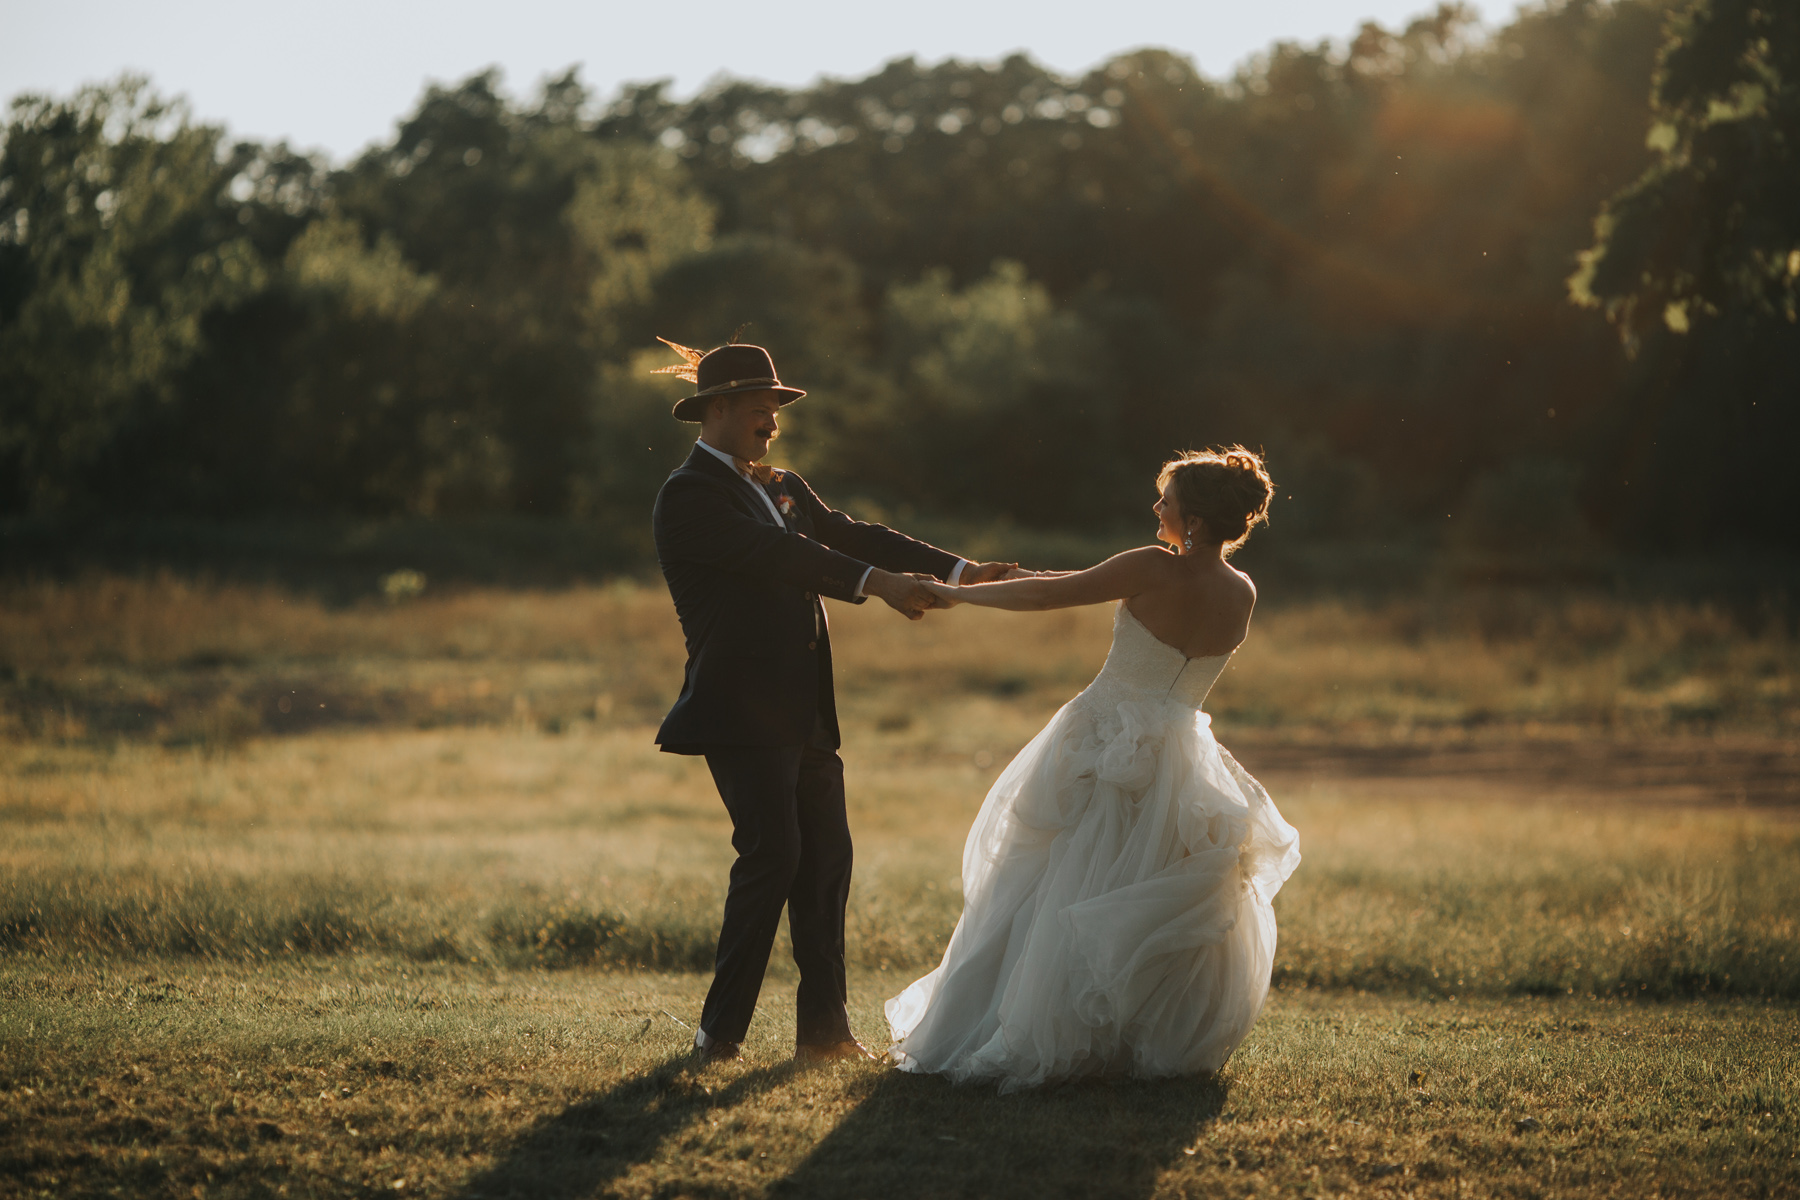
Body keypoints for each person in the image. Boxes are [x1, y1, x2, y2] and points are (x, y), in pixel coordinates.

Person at [886, 447, 1301, 1090]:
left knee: (1052, 881)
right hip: (1179, 757)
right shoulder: (1240, 591)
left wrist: (954, 593)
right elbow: (1084, 578)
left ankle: (1027, 1029)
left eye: (1166, 500)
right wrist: (994, 578)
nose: (1156, 508)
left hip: (1104, 739)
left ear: (1191, 519)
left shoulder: (1152, 568)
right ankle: (1123, 1041)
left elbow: (1059, 593)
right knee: (1136, 886)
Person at [649, 338, 1014, 1064]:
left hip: (806, 708)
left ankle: (823, 1034)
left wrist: (961, 570)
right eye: (761, 409)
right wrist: (878, 585)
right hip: (739, 707)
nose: (773, 424)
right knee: (773, 856)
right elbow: (783, 557)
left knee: (824, 862)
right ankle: (717, 1037)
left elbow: (849, 533)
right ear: (717, 410)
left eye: (776, 410)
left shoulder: (783, 484)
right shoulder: (689, 495)